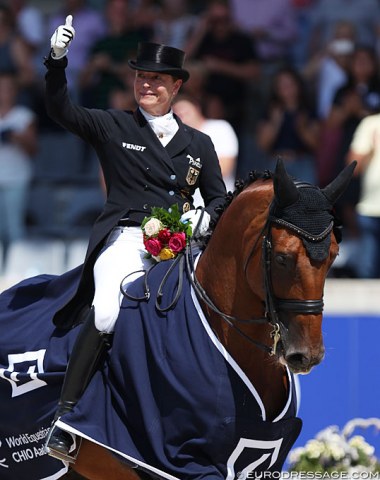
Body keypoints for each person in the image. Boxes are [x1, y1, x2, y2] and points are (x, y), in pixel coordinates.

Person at [44, 16, 227, 461]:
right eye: (141, 77)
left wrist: (204, 219)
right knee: (107, 310)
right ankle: (65, 420)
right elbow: (61, 110)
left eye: (157, 79)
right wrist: (56, 62)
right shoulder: (113, 125)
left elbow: (220, 199)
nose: (147, 85)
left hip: (180, 247)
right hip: (126, 240)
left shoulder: (198, 143)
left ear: (176, 87)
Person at [0, 69, 37, 249]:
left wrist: (17, 137)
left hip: (16, 178)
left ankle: (15, 271)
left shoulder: (24, 115)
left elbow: (33, 150)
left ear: (15, 91)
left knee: (15, 229)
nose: (4, 92)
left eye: (8, 88)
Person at [173, 93, 238, 194]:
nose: (183, 117)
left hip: (220, 204)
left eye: (186, 112)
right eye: (178, 114)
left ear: (197, 108)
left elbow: (224, 168)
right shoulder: (174, 138)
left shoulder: (220, 127)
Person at [346, 113, 380, 278]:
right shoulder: (371, 124)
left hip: (370, 210)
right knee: (367, 273)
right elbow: (353, 167)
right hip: (371, 209)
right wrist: (370, 148)